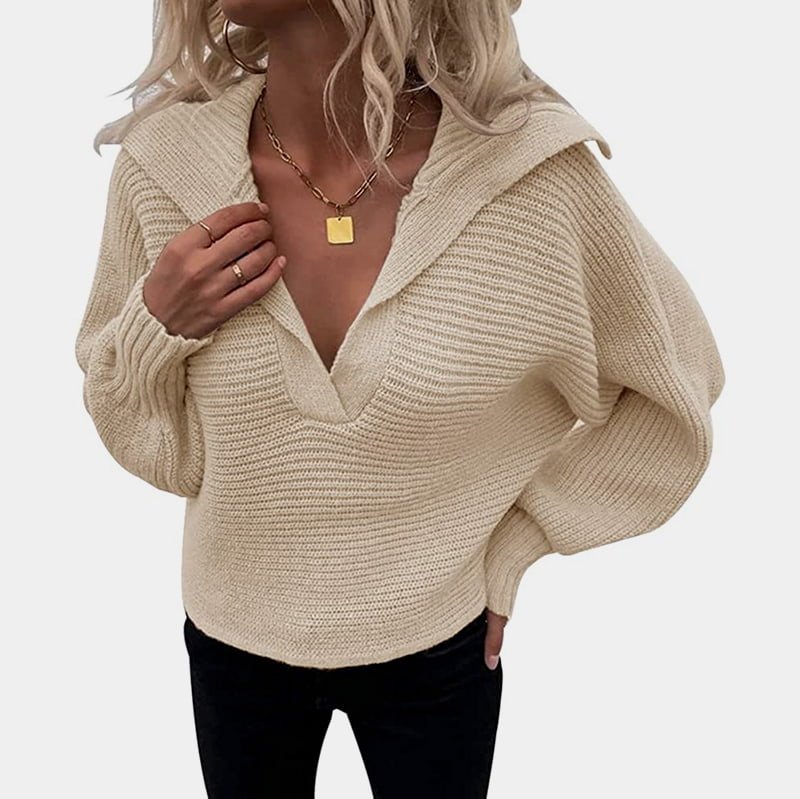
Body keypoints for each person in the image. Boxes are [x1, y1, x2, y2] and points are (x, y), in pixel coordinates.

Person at [74, 1, 725, 797]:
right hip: (232, 634)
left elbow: (673, 389)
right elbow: (160, 455)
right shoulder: (165, 166)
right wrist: (156, 325)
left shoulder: (527, 176)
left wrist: (518, 543)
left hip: (439, 641)